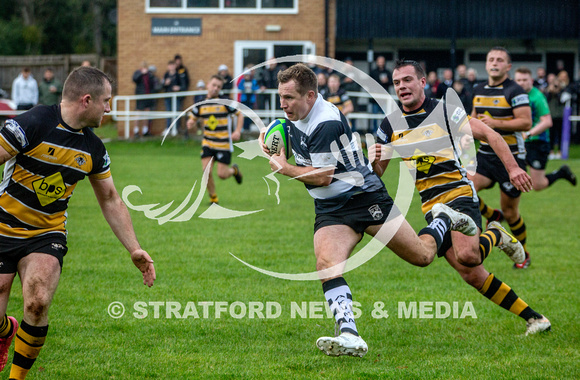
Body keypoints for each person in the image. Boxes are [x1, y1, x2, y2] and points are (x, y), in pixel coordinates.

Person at [261, 63, 480, 358]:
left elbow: (324, 175)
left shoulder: (326, 121)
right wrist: (277, 148)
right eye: (281, 97)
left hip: (365, 197)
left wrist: (284, 167)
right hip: (330, 207)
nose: (282, 105)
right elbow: (298, 149)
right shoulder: (293, 118)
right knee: (327, 265)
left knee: (423, 256)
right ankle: (350, 334)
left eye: (289, 98)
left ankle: (444, 217)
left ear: (310, 96)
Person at [371, 59, 550, 337]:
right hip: (431, 206)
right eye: (396, 82)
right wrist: (372, 162)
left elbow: (490, 134)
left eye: (407, 80)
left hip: (457, 192)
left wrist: (513, 168)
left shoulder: (444, 111)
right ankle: (535, 319)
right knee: (472, 274)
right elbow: (378, 171)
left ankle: (497, 235)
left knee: (468, 254)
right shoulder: (390, 124)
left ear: (422, 82)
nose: (401, 86)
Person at [0, 66, 155, 379]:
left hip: (47, 233)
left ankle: (16, 378)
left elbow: (110, 198)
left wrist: (134, 248)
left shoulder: (93, 148)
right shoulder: (32, 123)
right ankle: (6, 332)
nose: (109, 108)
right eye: (107, 101)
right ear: (88, 100)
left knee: (38, 300)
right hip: (2, 226)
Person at [471, 47, 533, 268]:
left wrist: (496, 124)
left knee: (511, 211)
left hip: (512, 159)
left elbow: (526, 122)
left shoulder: (515, 91)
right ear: (486, 64)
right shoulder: (478, 89)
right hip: (485, 156)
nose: (494, 63)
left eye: (499, 60)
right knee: (466, 188)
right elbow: (474, 119)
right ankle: (492, 215)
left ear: (508, 66)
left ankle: (523, 254)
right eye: (491, 59)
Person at [515, 67, 576, 190]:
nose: (521, 83)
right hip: (521, 142)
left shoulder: (537, 97)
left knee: (538, 185)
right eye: (519, 80)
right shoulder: (515, 95)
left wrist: (528, 133)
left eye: (524, 80)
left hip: (538, 142)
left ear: (531, 80)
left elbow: (547, 122)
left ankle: (561, 173)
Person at [186, 75, 244, 204]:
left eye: (218, 87)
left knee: (222, 175)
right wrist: (190, 122)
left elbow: (240, 115)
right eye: (214, 85)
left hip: (223, 144)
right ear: (208, 85)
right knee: (206, 171)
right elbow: (193, 117)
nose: (215, 88)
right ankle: (213, 199)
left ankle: (234, 170)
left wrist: (237, 131)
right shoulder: (201, 104)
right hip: (208, 143)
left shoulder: (225, 102)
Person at [132, 61, 156, 137]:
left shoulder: (149, 74)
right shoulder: (137, 73)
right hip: (140, 97)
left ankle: (145, 130)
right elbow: (135, 79)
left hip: (148, 96)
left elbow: (152, 83)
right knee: (138, 113)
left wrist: (149, 74)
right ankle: (136, 131)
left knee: (147, 113)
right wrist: (141, 73)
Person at [369, 55, 392, 133]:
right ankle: (375, 131)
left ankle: (384, 131)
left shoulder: (388, 72)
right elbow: (368, 83)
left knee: (385, 117)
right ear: (377, 62)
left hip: (384, 98)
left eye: (382, 61)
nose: (381, 63)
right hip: (375, 99)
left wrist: (387, 81)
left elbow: (392, 83)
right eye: (379, 61)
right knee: (374, 116)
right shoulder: (373, 72)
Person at [162, 60, 182, 136]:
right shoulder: (166, 75)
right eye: (170, 65)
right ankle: (168, 128)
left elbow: (183, 86)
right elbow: (162, 86)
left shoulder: (178, 75)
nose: (171, 67)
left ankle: (175, 129)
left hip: (176, 97)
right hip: (168, 96)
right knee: (168, 112)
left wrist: (178, 88)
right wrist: (165, 83)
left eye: (173, 65)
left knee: (176, 112)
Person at [237, 67, 260, 131]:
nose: (246, 77)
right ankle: (244, 127)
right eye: (245, 75)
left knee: (250, 114)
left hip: (250, 100)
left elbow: (256, 88)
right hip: (244, 100)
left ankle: (248, 127)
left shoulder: (253, 81)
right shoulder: (242, 81)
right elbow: (239, 87)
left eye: (248, 75)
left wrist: (251, 89)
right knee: (244, 114)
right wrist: (244, 89)